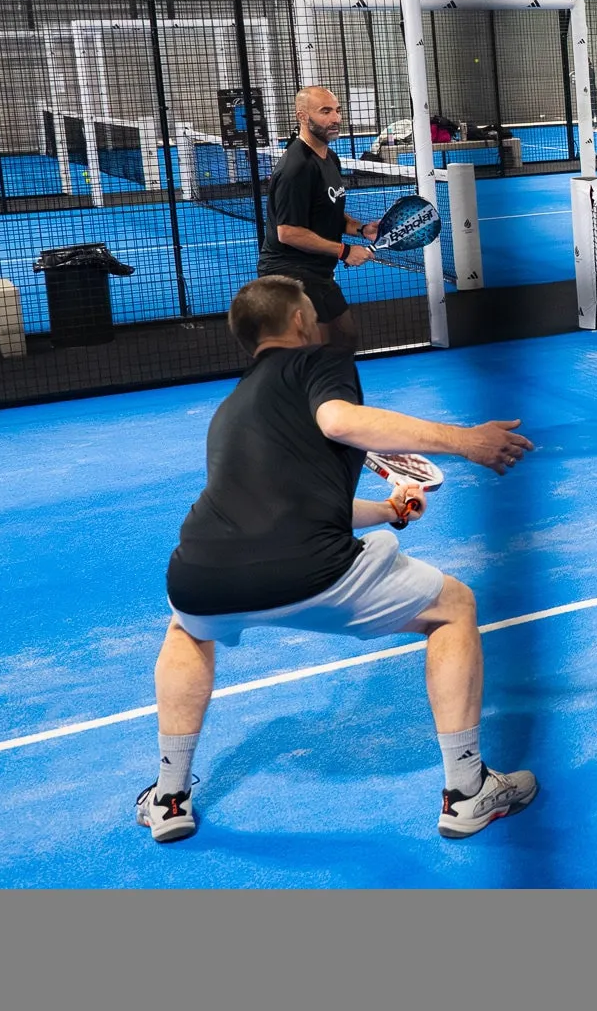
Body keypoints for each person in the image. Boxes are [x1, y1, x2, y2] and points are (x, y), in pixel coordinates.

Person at [138, 275, 538, 844]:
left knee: (187, 630)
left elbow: (289, 505)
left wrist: (388, 510)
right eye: (309, 307)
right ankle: (467, 790)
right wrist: (466, 441)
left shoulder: (231, 410)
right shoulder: (318, 362)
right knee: (453, 606)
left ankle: (169, 797)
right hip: (310, 569)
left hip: (201, 574)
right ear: (300, 320)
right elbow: (341, 422)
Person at [258, 86, 381, 354]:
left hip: (317, 272)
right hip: (288, 275)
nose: (335, 118)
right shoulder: (296, 168)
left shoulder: (329, 158)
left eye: (337, 111)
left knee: (342, 337)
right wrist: (345, 251)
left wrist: (361, 229)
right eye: (325, 112)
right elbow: (288, 232)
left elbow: (329, 211)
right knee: (319, 346)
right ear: (302, 116)